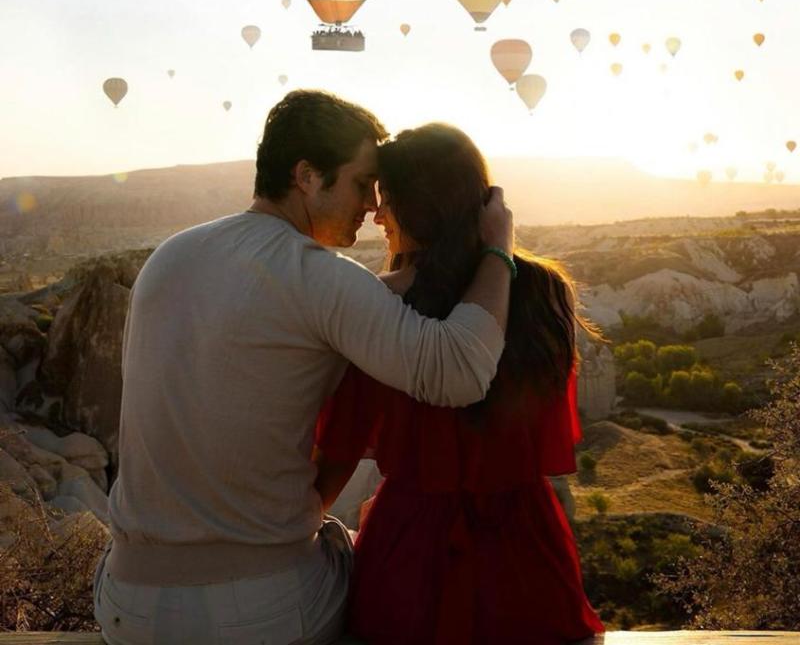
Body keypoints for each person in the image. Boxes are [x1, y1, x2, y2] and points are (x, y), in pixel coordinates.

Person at [93, 91, 515, 645]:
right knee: (368, 554)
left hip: (127, 601)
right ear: (308, 176)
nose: (372, 206)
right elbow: (459, 369)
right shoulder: (320, 277)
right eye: (362, 184)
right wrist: (496, 251)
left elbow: (291, 311)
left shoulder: (170, 257)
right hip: (260, 608)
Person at [314, 123, 607, 645]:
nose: (378, 216)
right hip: (525, 548)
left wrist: (291, 530)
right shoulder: (544, 291)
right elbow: (540, 426)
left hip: (410, 546)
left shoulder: (376, 302)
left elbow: (340, 445)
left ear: (422, 206)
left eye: (389, 201)